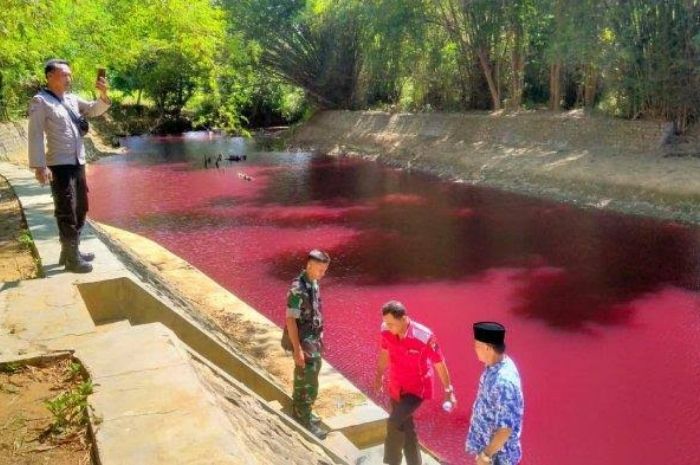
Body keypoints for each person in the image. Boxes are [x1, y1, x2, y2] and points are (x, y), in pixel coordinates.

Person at [28, 59, 110, 273]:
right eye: (64, 75)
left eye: (69, 75)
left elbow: (93, 110)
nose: (68, 79)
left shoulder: (72, 99)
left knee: (81, 207)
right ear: (49, 77)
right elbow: (35, 134)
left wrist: (103, 95)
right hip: (58, 164)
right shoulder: (40, 101)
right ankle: (72, 259)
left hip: (78, 161)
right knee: (66, 210)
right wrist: (39, 165)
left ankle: (71, 251)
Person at [374, 301, 456, 465]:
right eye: (386, 322)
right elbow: (384, 353)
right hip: (396, 386)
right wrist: (379, 375)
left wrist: (449, 391)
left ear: (404, 319)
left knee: (394, 421)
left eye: (391, 323)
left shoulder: (424, 336)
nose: (387, 326)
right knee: (406, 428)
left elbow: (439, 363)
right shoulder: (385, 330)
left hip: (417, 389)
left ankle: (392, 462)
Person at [286, 249, 331, 439]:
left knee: (311, 374)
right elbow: (290, 320)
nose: (323, 274)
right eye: (320, 270)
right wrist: (297, 350)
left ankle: (304, 409)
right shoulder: (297, 289)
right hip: (303, 341)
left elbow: (315, 311)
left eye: (325, 270)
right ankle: (303, 418)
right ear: (309, 265)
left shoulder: (313, 282)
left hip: (314, 339)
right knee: (307, 378)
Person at [466, 322, 524, 465]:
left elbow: (506, 428)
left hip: (498, 457)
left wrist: (486, 455)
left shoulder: (504, 382)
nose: (474, 349)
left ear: (488, 347)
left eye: (477, 345)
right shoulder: (494, 365)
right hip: (487, 446)